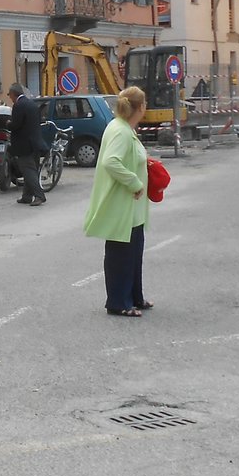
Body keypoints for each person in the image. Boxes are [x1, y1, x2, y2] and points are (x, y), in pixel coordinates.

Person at [83, 86, 152, 318]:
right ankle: (118, 302)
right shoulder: (120, 131)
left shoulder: (124, 128)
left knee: (133, 253)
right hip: (121, 205)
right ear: (140, 107)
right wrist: (134, 181)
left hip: (132, 209)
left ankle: (134, 297)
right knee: (121, 255)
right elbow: (111, 162)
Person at [6, 83, 47, 205]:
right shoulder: (32, 104)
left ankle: (39, 195)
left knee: (28, 171)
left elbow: (16, 125)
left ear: (13, 94)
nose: (10, 98)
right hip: (35, 143)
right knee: (31, 169)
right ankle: (27, 196)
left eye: (10, 95)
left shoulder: (19, 106)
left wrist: (8, 123)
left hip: (24, 145)